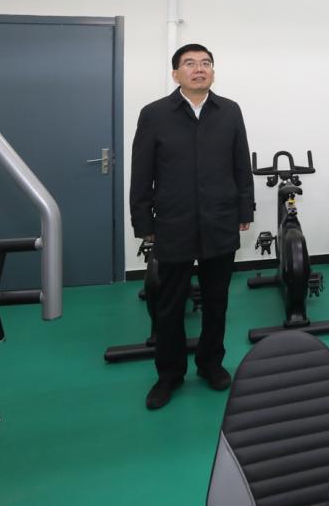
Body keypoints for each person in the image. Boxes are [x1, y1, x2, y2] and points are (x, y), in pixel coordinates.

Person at [130, 43, 254, 410]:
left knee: (217, 301)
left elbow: (241, 164)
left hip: (219, 219)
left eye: (205, 63)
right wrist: (143, 220)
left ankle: (211, 364)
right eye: (189, 63)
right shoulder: (154, 114)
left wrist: (244, 208)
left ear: (213, 71)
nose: (199, 69)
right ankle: (169, 374)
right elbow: (141, 173)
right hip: (174, 221)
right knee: (169, 304)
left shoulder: (229, 111)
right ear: (176, 74)